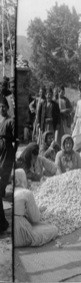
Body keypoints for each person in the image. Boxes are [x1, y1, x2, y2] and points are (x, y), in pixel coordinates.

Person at [13, 168, 59, 247]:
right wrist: (38, 210)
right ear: (23, 179)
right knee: (54, 229)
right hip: (20, 234)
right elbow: (35, 219)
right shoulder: (26, 193)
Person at [0, 95, 14, 232]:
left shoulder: (10, 121)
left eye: (4, 106)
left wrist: (13, 151)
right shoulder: (0, 119)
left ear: (8, 108)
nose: (2, 109)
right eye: (0, 106)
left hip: (7, 151)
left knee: (3, 175)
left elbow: (16, 139)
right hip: (0, 149)